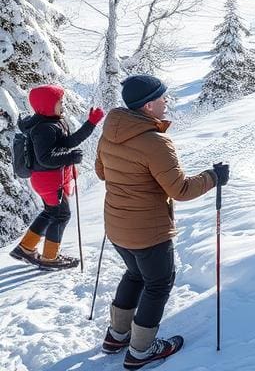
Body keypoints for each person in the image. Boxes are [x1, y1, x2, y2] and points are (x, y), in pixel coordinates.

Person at [95, 74, 229, 370]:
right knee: (158, 283)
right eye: (162, 98)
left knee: (134, 274)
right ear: (147, 106)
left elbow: (102, 172)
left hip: (117, 225)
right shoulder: (155, 142)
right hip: (149, 230)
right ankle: (141, 350)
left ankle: (117, 336)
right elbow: (180, 190)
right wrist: (214, 177)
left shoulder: (110, 133)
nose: (166, 102)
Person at [8, 85, 104, 269]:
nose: (62, 104)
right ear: (47, 104)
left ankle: (25, 248)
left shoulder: (52, 122)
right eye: (59, 101)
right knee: (61, 215)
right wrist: (70, 157)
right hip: (49, 180)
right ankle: (50, 258)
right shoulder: (44, 128)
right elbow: (46, 159)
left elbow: (68, 142)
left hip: (47, 179)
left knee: (51, 213)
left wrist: (90, 124)